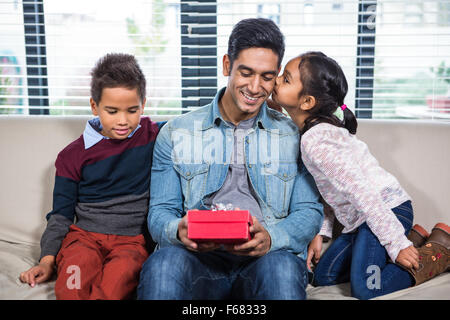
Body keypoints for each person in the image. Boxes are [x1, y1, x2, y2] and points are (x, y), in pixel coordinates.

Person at [137, 18, 323, 300]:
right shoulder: (176, 132)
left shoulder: (296, 137)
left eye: (267, 76)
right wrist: (179, 230)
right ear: (227, 65)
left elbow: (308, 212)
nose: (255, 87)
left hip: (268, 259)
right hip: (197, 260)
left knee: (283, 272)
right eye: (245, 73)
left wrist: (271, 238)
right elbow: (160, 213)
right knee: (163, 266)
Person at [270, 51, 449, 299]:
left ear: (307, 102)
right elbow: (329, 190)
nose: (276, 80)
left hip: (386, 208)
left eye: (285, 79)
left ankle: (438, 249)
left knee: (368, 287)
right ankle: (416, 237)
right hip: (364, 220)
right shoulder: (314, 132)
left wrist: (397, 244)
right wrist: (321, 233)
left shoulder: (316, 140)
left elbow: (361, 193)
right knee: (324, 275)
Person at [19, 53, 163, 300]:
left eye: (131, 110)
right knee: (70, 287)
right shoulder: (71, 155)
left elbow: (194, 124)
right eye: (112, 111)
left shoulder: (153, 135)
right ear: (94, 106)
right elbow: (61, 215)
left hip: (131, 243)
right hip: (83, 239)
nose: (122, 120)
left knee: (114, 288)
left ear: (143, 105)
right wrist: (46, 262)